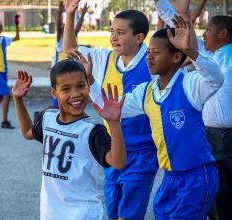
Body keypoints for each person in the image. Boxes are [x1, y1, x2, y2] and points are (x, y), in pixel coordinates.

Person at [118, 16, 222, 219]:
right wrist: (91, 86)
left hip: (197, 177)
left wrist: (191, 52)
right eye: (148, 52)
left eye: (156, 53)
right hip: (169, 178)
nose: (149, 57)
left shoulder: (189, 85)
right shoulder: (146, 91)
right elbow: (116, 108)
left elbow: (216, 77)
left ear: (176, 58)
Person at [63, 1, 158, 219]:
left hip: (142, 152)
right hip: (112, 150)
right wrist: (70, 15)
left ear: (139, 38)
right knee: (113, 212)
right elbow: (70, 50)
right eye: (112, 31)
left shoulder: (152, 62)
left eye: (121, 33)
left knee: (128, 215)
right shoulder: (104, 58)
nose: (113, 37)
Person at [12, 60, 127, 219]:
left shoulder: (92, 130)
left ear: (88, 85)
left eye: (81, 86)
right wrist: (17, 99)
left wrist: (114, 124)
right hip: (51, 212)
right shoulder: (48, 118)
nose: (76, 94)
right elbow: (27, 132)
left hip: (82, 214)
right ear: (54, 93)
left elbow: (119, 162)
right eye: (66, 89)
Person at [154, 0, 232, 219]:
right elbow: (178, 26)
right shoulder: (208, 56)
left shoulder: (215, 58)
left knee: (223, 196)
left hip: (227, 138)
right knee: (217, 194)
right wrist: (160, 3)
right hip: (211, 136)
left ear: (223, 33)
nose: (204, 35)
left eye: (209, 30)